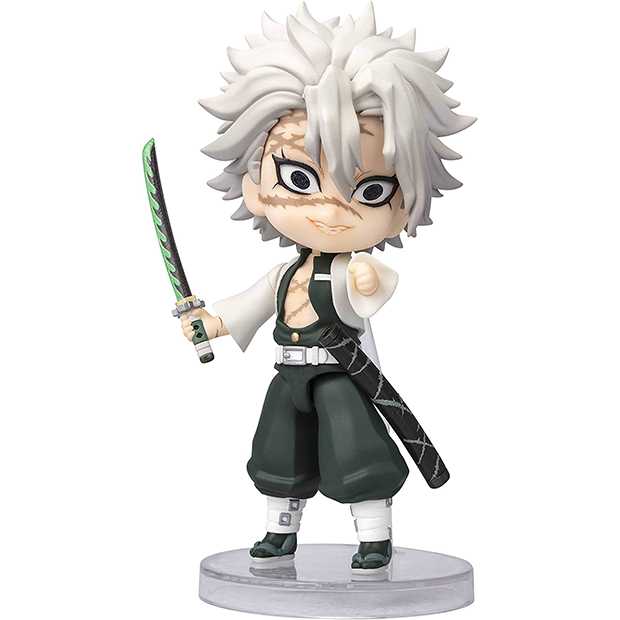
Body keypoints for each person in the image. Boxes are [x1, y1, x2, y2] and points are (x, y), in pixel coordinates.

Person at [181, 1, 474, 572]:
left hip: (342, 377)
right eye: (300, 179)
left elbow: (369, 290)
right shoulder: (285, 273)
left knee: (359, 457)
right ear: (255, 188)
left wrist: (364, 280)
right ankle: (279, 533)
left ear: (404, 202)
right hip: (289, 374)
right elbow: (251, 305)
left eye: (371, 191)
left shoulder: (348, 271)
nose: (332, 212)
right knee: (278, 456)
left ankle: (374, 537)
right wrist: (211, 322)